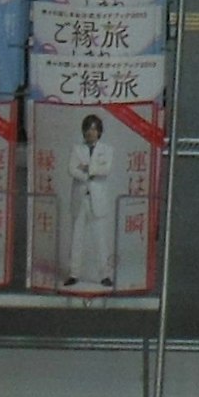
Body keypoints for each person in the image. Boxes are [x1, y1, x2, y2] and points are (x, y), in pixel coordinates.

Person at [61, 112, 123, 288]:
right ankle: (74, 273)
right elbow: (71, 169)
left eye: (94, 129)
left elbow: (106, 170)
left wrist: (88, 167)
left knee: (100, 239)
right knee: (76, 238)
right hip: (80, 198)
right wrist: (92, 171)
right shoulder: (76, 148)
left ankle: (105, 275)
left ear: (100, 132)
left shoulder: (107, 149)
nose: (90, 132)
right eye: (87, 129)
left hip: (97, 200)